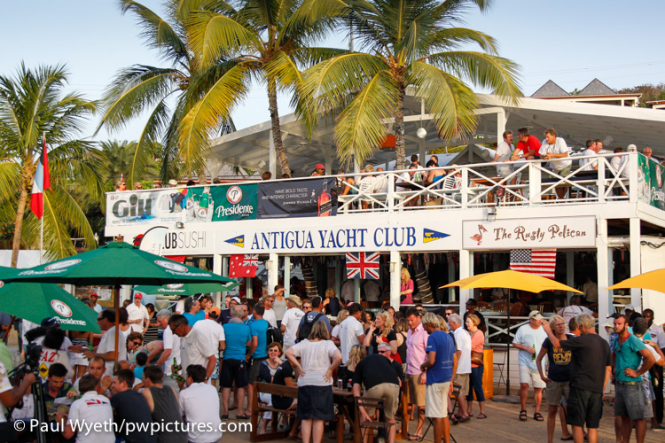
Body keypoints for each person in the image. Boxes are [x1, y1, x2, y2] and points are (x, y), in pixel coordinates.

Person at [540, 314, 611, 443]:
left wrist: (548, 331)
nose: (579, 329)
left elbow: (556, 344)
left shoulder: (580, 340)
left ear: (582, 325)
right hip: (597, 388)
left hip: (580, 387)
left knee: (577, 424)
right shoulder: (604, 343)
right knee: (592, 426)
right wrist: (603, 387)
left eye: (579, 327)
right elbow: (608, 369)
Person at [286, 321, 342, 443]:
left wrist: (298, 366)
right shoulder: (328, 344)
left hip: (306, 381)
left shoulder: (304, 343)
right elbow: (339, 357)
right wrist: (330, 369)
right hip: (322, 382)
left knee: (306, 417)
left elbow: (288, 352)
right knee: (319, 418)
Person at [611, 314, 655, 443]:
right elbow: (614, 354)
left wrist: (638, 372)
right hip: (620, 384)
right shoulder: (616, 340)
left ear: (626, 325)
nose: (616, 326)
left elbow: (650, 358)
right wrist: (614, 371)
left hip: (632, 385)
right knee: (624, 416)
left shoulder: (633, 340)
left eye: (619, 324)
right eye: (615, 324)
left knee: (639, 418)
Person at [353, 342, 404, 443]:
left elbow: (356, 388)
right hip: (392, 386)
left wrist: (363, 411)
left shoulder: (361, 364)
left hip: (374, 387)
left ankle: (364, 441)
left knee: (366, 417)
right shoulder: (386, 361)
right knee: (390, 418)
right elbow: (399, 381)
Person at [536, 315, 573, 443]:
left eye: (562, 323)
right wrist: (542, 376)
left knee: (572, 409)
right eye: (558, 324)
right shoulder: (548, 341)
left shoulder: (571, 339)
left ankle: (571, 433)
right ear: (552, 327)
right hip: (554, 380)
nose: (561, 326)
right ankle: (550, 440)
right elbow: (539, 359)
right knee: (552, 410)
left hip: (569, 380)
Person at [420, 313, 456, 443]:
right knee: (443, 414)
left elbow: (431, 360)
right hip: (446, 378)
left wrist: (423, 366)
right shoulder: (448, 336)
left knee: (437, 417)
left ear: (428, 324)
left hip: (435, 379)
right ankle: (446, 440)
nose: (424, 329)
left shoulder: (433, 337)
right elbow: (455, 360)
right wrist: (451, 378)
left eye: (424, 326)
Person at [55, 373, 114, 443]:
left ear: (79, 390)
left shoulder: (77, 404)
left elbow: (68, 435)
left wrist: (61, 422)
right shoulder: (106, 400)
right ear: (96, 387)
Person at [512, 310, 548, 422]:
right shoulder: (523, 329)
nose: (540, 321)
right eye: (537, 320)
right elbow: (515, 343)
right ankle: (523, 409)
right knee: (524, 384)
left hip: (539, 362)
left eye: (540, 319)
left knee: (538, 387)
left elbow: (550, 344)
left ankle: (537, 411)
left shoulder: (544, 329)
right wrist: (525, 347)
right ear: (531, 320)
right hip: (525, 361)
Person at [632, 318, 665, 432]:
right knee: (650, 403)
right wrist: (655, 346)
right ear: (646, 330)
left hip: (629, 377)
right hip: (644, 377)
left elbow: (613, 354)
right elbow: (662, 361)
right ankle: (653, 423)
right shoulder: (647, 345)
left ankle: (633, 423)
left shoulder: (626, 342)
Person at [108, 369, 157, 443]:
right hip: (152, 439)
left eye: (114, 383)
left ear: (123, 383)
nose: (112, 385)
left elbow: (105, 415)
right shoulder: (140, 396)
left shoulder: (118, 397)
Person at [141, 366, 187, 443]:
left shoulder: (147, 392)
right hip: (183, 437)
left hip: (165, 438)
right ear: (162, 378)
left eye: (143, 378)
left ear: (148, 379)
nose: (142, 380)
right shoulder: (171, 389)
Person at [221, 305, 252, 419]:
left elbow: (222, 342)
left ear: (231, 313)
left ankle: (225, 412)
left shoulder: (225, 327)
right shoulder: (246, 328)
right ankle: (239, 412)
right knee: (240, 386)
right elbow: (249, 343)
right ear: (242, 314)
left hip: (227, 358)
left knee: (226, 386)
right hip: (240, 358)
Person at [179, 364, 223, 443]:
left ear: (190, 378)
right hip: (216, 436)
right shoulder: (212, 389)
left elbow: (180, 416)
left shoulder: (183, 393)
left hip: (196, 439)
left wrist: (181, 387)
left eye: (187, 376)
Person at [168, 314, 216, 381]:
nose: (173, 333)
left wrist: (205, 379)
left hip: (199, 383)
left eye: (173, 330)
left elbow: (213, 359)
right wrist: (179, 367)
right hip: (187, 382)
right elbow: (190, 358)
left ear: (181, 326)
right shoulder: (182, 338)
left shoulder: (198, 336)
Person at [405, 307, 429, 438]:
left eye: (412, 320)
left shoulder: (424, 332)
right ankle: (405, 429)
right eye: (408, 321)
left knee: (420, 404)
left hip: (419, 372)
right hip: (409, 370)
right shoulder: (410, 331)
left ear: (419, 318)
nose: (410, 323)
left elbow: (429, 354)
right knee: (408, 403)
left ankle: (419, 431)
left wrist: (425, 372)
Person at [257, 342, 289, 434]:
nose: (273, 352)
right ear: (267, 352)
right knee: (274, 400)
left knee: (290, 398)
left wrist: (281, 364)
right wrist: (283, 378)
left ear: (280, 353)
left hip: (281, 392)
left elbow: (290, 377)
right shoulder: (263, 364)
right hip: (265, 392)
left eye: (275, 350)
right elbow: (269, 379)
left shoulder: (284, 363)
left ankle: (285, 421)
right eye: (270, 350)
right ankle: (263, 426)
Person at [84, 309, 128, 376]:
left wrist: (93, 355)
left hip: (109, 374)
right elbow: (103, 348)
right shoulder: (111, 332)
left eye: (99, 319)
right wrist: (84, 349)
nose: (97, 322)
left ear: (106, 319)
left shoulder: (113, 333)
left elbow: (113, 355)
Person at [447, 314, 471, 423]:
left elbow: (458, 351)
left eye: (449, 322)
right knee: (463, 391)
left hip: (460, 368)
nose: (448, 324)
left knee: (459, 392)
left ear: (453, 323)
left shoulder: (458, 334)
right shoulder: (465, 332)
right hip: (466, 367)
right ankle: (461, 412)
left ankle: (464, 413)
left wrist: (454, 365)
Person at [643, 309, 665, 427]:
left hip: (655, 366)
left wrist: (658, 369)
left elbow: (662, 349)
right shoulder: (640, 330)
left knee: (657, 392)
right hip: (643, 366)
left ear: (652, 317)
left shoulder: (658, 331)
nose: (646, 319)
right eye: (644, 316)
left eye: (648, 316)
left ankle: (658, 419)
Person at [247, 304, 270, 416]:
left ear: (254, 312)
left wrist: (248, 355)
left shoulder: (254, 325)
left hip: (257, 356)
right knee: (263, 382)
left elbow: (254, 343)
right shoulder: (267, 323)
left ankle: (252, 408)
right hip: (267, 355)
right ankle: (262, 406)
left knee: (251, 383)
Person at [539, 128, 571, 199]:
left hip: (565, 164)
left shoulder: (560, 141)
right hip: (554, 166)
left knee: (564, 182)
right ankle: (561, 199)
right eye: (546, 137)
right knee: (556, 183)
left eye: (548, 137)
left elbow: (565, 154)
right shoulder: (544, 141)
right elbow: (541, 155)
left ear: (554, 136)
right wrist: (545, 156)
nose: (546, 139)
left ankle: (562, 199)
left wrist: (552, 155)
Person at [465, 314, 486, 419]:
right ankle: (469, 410)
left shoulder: (479, 333)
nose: (466, 324)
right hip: (467, 364)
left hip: (475, 364)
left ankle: (482, 411)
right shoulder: (468, 333)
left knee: (477, 386)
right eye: (466, 322)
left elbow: (470, 346)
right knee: (468, 388)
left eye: (468, 322)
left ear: (474, 322)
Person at [154, 309, 180, 387]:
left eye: (159, 321)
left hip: (171, 370)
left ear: (166, 319)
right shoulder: (178, 327)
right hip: (180, 368)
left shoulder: (168, 330)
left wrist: (157, 366)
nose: (158, 324)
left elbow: (168, 351)